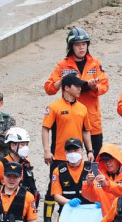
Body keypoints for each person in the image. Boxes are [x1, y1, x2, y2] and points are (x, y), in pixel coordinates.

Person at [44, 27, 109, 155]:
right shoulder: (62, 65)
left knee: (95, 159)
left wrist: (94, 87)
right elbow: (49, 88)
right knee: (65, 158)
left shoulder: (95, 63)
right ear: (71, 47)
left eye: (84, 44)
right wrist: (63, 81)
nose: (81, 48)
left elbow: (105, 85)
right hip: (69, 120)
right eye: (77, 45)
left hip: (91, 118)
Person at [42, 74, 93, 222]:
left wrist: (90, 150)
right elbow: (45, 129)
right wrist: (46, 150)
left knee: (78, 185)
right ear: (66, 88)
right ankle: (47, 221)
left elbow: (86, 131)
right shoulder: (53, 107)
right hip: (58, 155)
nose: (80, 89)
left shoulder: (83, 108)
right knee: (54, 188)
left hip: (78, 155)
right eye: (76, 86)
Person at [0, 127, 38, 198]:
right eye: (22, 144)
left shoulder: (26, 162)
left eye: (26, 144)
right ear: (12, 146)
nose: (25, 148)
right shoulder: (0, 165)